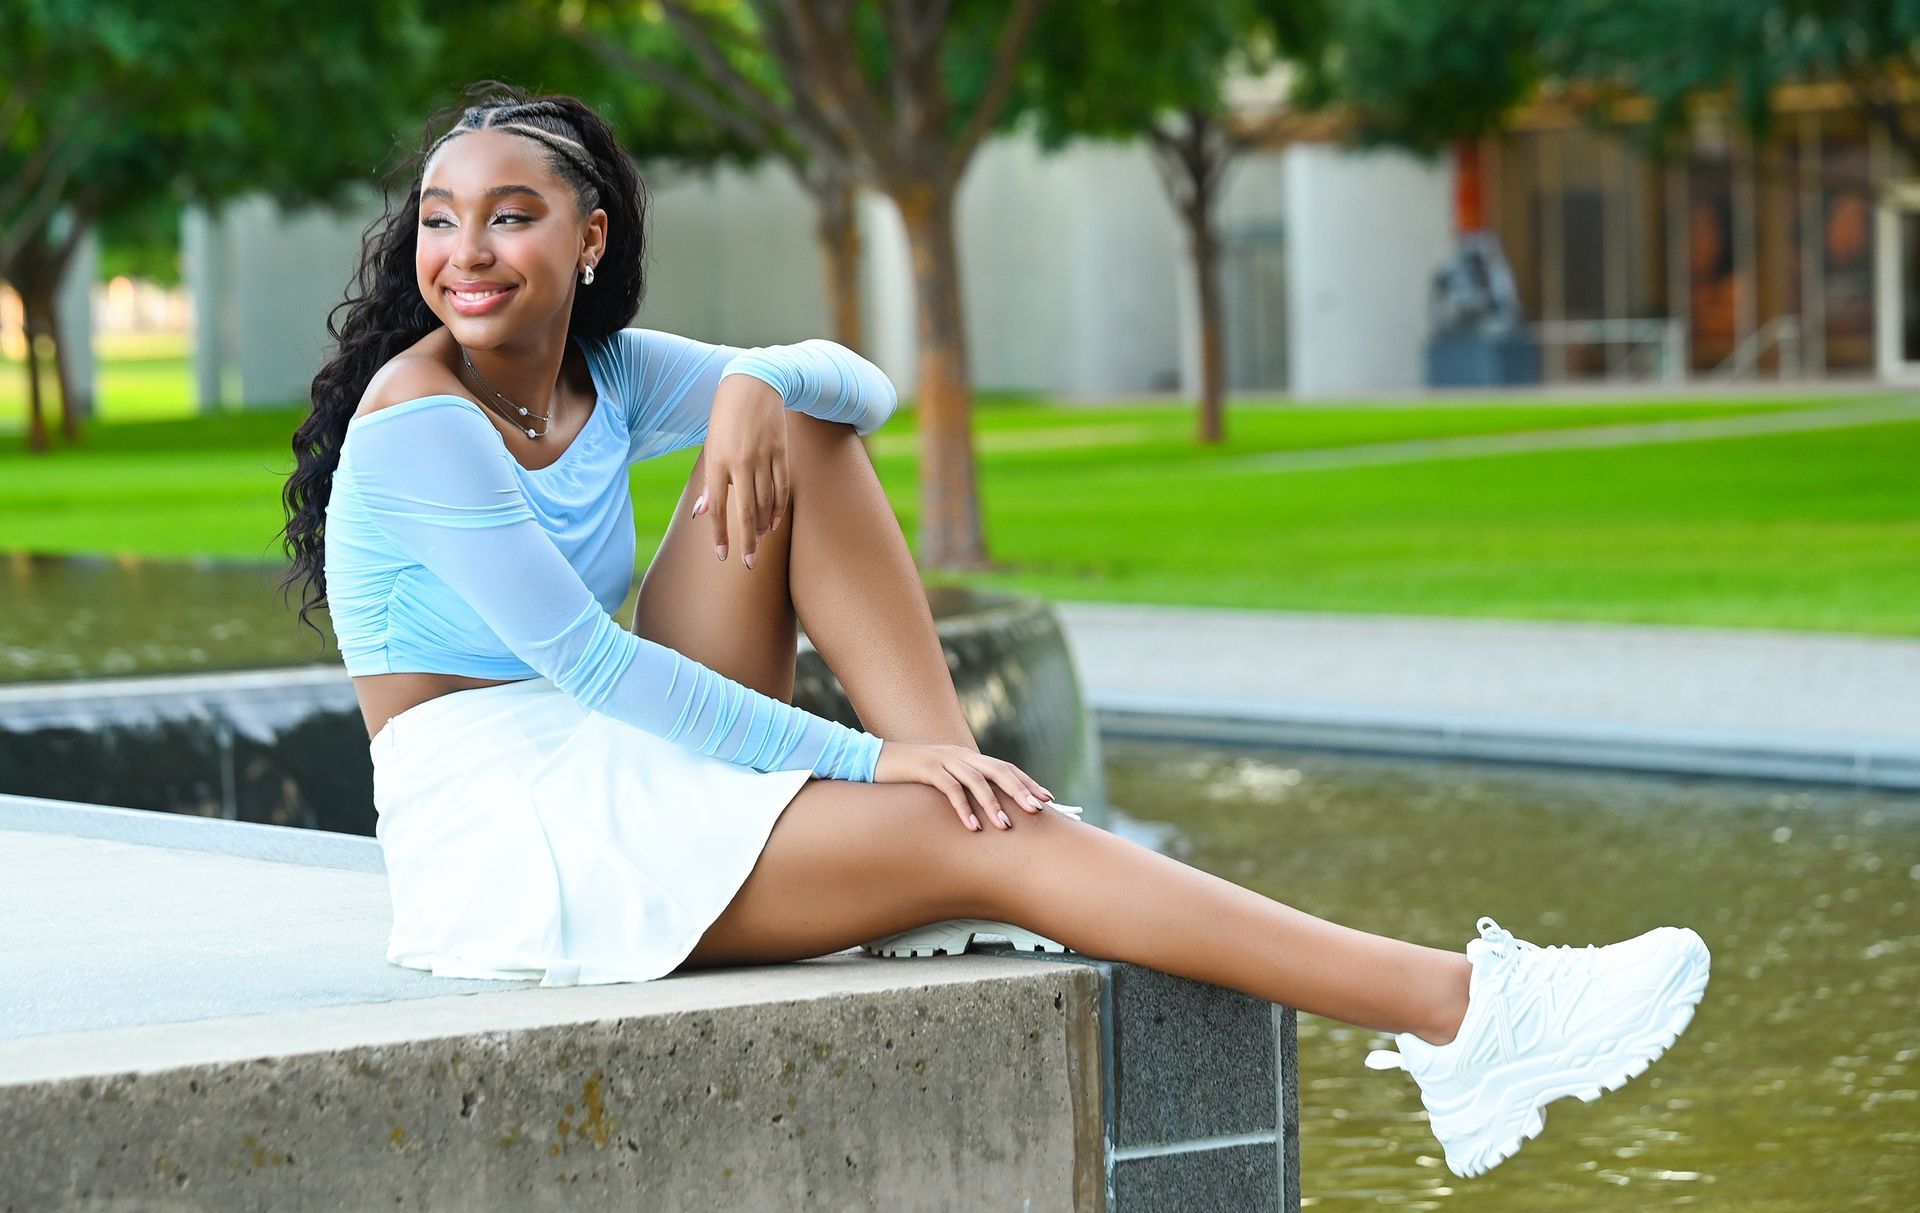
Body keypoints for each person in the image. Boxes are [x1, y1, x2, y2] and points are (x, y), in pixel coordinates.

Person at [277, 82, 1710, 1182]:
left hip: (599, 750)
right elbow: (592, 665)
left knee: (810, 436)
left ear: (588, 239)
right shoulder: (419, 425)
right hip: (509, 825)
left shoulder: (600, 368)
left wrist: (754, 385)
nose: (464, 251)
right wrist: (863, 763)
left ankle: (965, 818)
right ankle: (1466, 1016)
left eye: (509, 214)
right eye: (441, 218)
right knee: (959, 812)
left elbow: (863, 390)